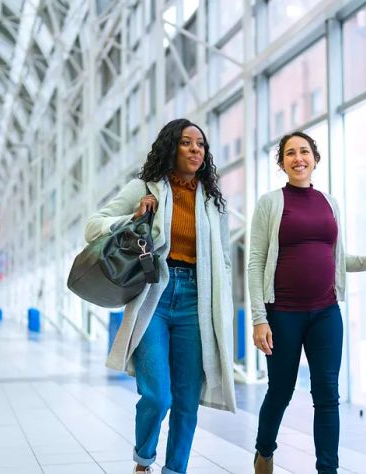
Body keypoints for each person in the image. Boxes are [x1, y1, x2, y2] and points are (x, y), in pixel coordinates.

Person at [85, 118, 235, 474]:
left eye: (201, 144)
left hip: (197, 301)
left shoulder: (213, 201)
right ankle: (143, 461)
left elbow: (225, 260)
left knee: (186, 401)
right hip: (155, 295)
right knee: (157, 395)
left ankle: (175, 469)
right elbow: (93, 225)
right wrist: (132, 218)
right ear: (171, 147)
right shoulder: (146, 188)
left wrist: (222, 307)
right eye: (187, 142)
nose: (196, 149)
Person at [248, 132, 366, 474]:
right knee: (281, 391)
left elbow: (335, 257)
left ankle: (327, 470)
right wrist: (260, 318)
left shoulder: (329, 203)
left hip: (326, 313)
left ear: (315, 159)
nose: (298, 157)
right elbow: (256, 260)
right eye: (290, 153)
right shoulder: (270, 203)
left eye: (304, 151)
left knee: (327, 396)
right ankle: (264, 451)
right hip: (283, 314)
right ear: (282, 163)